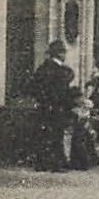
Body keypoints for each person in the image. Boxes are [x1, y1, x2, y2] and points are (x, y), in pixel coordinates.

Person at [27, 39, 75, 172]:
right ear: (59, 54)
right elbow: (63, 89)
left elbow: (33, 87)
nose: (64, 55)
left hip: (44, 107)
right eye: (63, 52)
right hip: (57, 107)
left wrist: (42, 100)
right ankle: (56, 164)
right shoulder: (60, 71)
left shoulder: (42, 68)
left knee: (44, 135)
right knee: (56, 135)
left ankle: (41, 163)